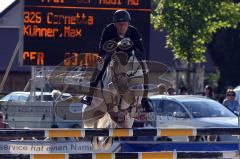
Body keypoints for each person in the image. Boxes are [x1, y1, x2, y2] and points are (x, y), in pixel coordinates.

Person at [80, 10, 153, 112]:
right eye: (119, 24)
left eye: (125, 24)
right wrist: (111, 48)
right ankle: (90, 94)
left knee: (144, 66)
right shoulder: (108, 30)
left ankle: (145, 99)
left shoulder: (134, 32)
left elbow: (142, 51)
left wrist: (135, 52)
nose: (122, 27)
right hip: (112, 55)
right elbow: (101, 48)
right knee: (100, 64)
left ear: (128, 24)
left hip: (129, 56)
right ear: (115, 24)